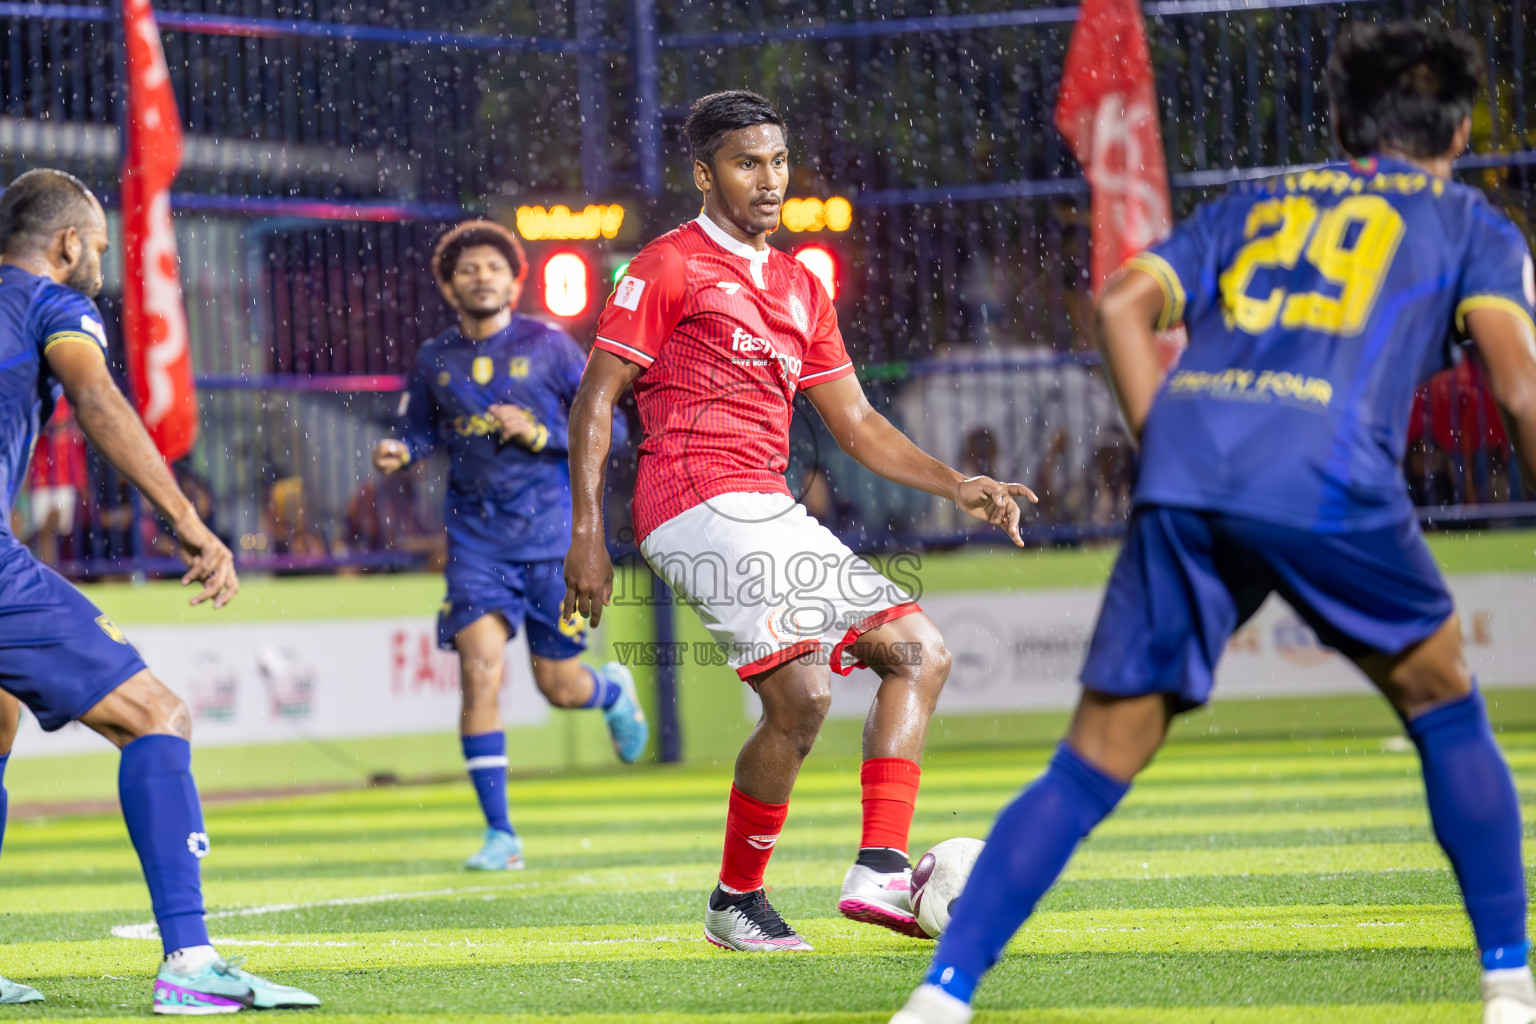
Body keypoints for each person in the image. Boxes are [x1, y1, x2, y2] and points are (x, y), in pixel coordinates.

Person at [891, 23, 1536, 1024]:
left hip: (1195, 466)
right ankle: (1508, 991)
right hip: (1328, 469)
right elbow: (1522, 388)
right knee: (1445, 704)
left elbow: (1120, 304)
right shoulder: (1469, 222)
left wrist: (1170, 442)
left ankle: (941, 998)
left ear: (1341, 122)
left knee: (1092, 758)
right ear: (1455, 133)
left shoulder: (1260, 201)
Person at [563, 90, 1034, 952]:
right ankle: (771, 895)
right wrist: (586, 532)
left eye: (778, 161)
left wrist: (954, 482)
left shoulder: (798, 287)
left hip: (768, 509)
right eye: (747, 163)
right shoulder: (666, 266)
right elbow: (597, 397)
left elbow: (854, 424)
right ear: (705, 175)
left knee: (914, 654)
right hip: (692, 500)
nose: (769, 179)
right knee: (807, 691)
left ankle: (853, 874)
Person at [0, 169, 319, 1011]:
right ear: (68, 243)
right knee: (157, 715)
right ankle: (190, 962)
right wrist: (185, 517)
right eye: (98, 246)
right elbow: (96, 394)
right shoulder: (51, 304)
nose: (99, 259)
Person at [372, 220, 646, 872]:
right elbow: (418, 431)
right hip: (476, 545)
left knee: (558, 685)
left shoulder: (552, 347)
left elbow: (614, 427)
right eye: (467, 269)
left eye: (494, 267)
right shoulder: (434, 358)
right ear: (448, 284)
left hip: (552, 541)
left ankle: (609, 694)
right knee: (479, 672)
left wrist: (541, 431)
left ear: (515, 279)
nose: (481, 276)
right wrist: (400, 450)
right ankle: (502, 835)